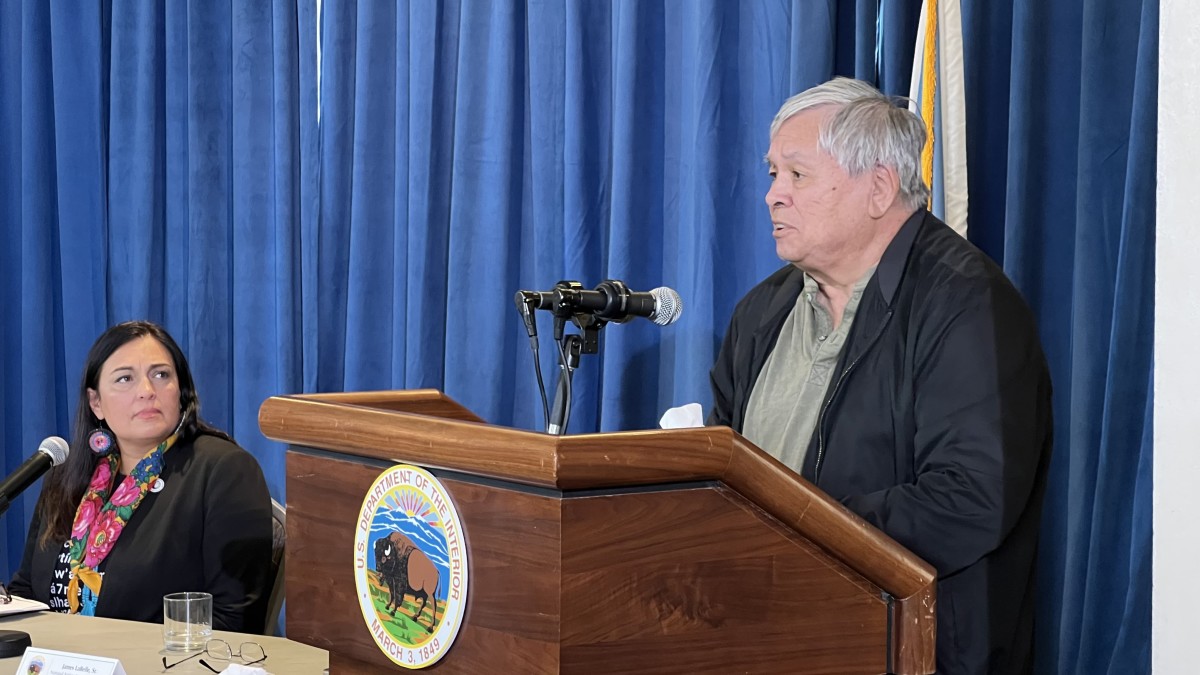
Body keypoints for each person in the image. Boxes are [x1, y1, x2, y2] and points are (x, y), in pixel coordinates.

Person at [708, 77, 1053, 674]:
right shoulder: (760, 314)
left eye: (797, 174)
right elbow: (720, 470)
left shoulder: (968, 305)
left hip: (909, 651)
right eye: (772, 175)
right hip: (759, 641)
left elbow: (972, 499)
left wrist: (794, 533)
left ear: (878, 187)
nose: (772, 196)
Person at [8, 321, 273, 633]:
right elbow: (25, 592)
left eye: (161, 375)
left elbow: (234, 621)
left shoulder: (224, 471)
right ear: (96, 403)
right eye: (125, 379)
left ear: (182, 391)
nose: (147, 392)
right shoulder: (66, 478)